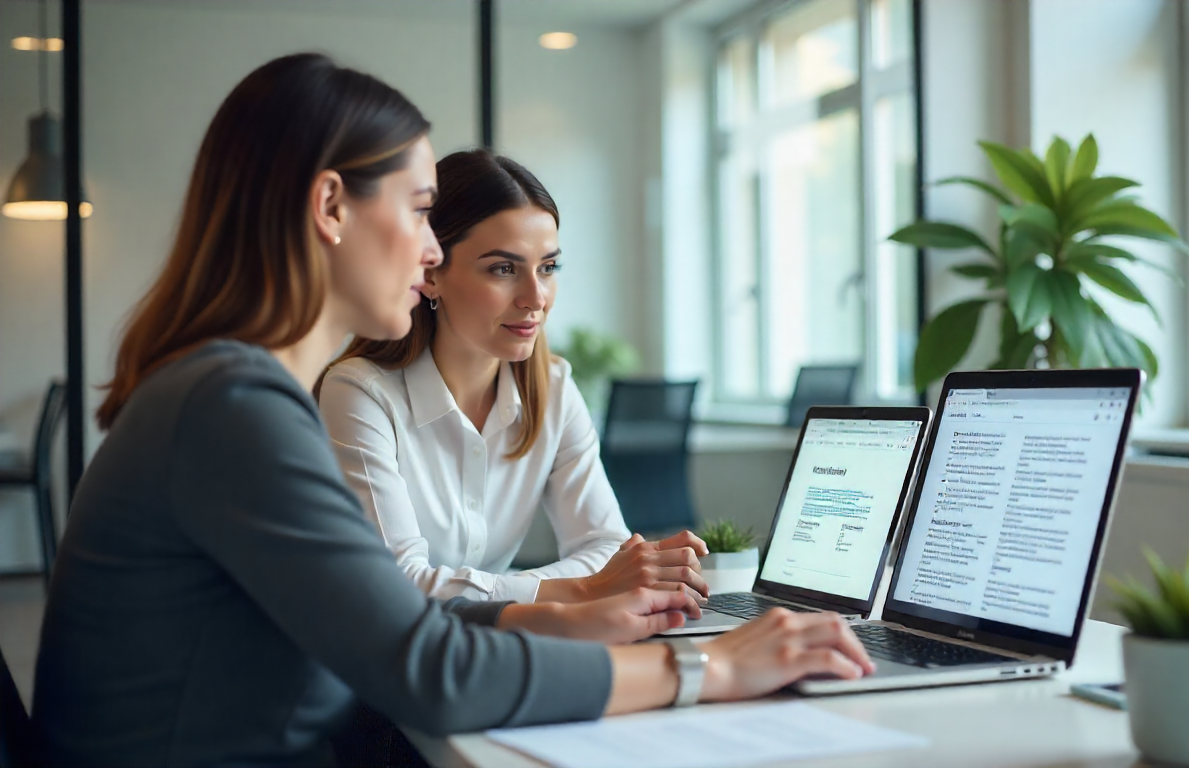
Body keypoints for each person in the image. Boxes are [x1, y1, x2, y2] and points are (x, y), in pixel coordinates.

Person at [28, 53, 872, 767]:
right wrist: (709, 672)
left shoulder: (228, 392)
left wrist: (564, 616)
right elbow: (428, 667)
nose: (432, 252)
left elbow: (396, 619)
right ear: (330, 208)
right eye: (423, 210)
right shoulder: (234, 406)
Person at [319, 149, 710, 607]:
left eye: (548, 268)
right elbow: (399, 585)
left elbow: (605, 548)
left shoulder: (554, 387)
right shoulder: (359, 394)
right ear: (430, 274)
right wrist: (583, 588)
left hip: (503, 643)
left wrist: (552, 586)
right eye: (503, 269)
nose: (536, 297)